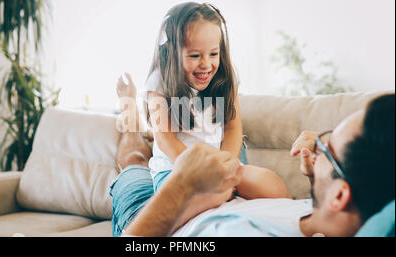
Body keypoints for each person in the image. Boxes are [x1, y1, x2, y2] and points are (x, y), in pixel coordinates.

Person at [111, 93, 395, 237]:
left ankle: (129, 121)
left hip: (156, 218)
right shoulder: (335, 217)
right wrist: (315, 179)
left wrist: (181, 185)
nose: (316, 147)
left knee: (134, 161)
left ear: (340, 195)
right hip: (215, 197)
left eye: (327, 147)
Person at [114, 2, 290, 233]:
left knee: (272, 188)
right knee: (195, 198)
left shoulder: (227, 75)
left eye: (214, 53)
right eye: (195, 55)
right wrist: (200, 173)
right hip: (177, 167)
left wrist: (224, 166)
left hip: (220, 158)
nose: (206, 64)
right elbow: (166, 139)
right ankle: (131, 116)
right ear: (171, 52)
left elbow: (232, 129)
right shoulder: (159, 80)